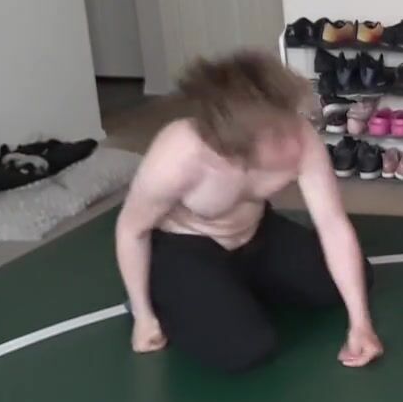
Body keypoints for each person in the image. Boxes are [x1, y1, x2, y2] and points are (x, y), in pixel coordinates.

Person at [115, 50, 382, 373]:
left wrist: (360, 324)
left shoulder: (298, 135)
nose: (291, 135)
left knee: (354, 279)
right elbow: (131, 229)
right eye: (275, 134)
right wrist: (144, 317)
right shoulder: (179, 155)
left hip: (257, 234)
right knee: (246, 348)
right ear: (238, 143)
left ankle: (232, 287)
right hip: (186, 246)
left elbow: (332, 223)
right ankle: (165, 294)